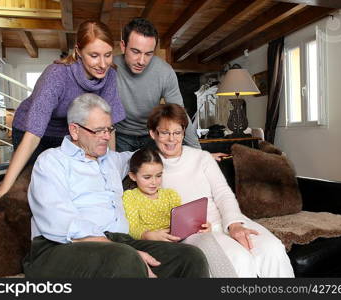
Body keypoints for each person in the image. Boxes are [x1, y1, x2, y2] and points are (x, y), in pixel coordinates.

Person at [23, 93, 209, 278]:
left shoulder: (112, 160)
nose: (106, 137)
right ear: (74, 130)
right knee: (126, 259)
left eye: (109, 129)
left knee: (191, 257)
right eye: (98, 131)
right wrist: (116, 248)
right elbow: (60, 221)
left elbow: (146, 157)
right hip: (62, 247)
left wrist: (180, 143)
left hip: (119, 242)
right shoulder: (52, 161)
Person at [0, 20, 125, 210]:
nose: (103, 64)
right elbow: (33, 135)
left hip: (69, 134)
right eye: (94, 55)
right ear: (78, 51)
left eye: (108, 55)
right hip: (32, 131)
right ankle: (4, 184)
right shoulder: (57, 75)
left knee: (69, 184)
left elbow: (109, 126)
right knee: (33, 185)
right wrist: (2, 191)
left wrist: (111, 170)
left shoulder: (110, 76)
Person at [146, 103, 295, 278]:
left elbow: (223, 193)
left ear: (184, 132)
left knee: (272, 248)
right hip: (195, 233)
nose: (171, 139)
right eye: (164, 133)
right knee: (239, 260)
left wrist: (234, 224)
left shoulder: (201, 158)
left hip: (224, 220)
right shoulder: (147, 166)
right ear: (153, 133)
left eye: (177, 132)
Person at [122, 146, 238, 278]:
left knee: (205, 239)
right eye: (147, 177)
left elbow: (182, 220)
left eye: (159, 176)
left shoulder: (170, 194)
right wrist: (149, 235)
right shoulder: (130, 197)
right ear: (133, 176)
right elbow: (131, 227)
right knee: (193, 255)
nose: (154, 182)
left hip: (178, 238)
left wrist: (200, 225)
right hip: (152, 243)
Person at [113, 17, 200, 152]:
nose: (141, 61)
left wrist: (198, 153)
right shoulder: (110, 68)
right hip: (119, 135)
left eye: (148, 54)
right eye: (135, 52)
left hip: (152, 135)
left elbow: (179, 114)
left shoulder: (164, 71)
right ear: (123, 46)